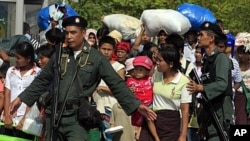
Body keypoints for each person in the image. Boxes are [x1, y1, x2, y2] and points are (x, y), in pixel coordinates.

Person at [9, 16, 156, 141]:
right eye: (66, 33)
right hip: (53, 115)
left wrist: (137, 105)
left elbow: (116, 82)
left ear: (83, 33)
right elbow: (43, 80)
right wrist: (21, 99)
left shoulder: (96, 57)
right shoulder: (59, 54)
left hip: (77, 118)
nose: (69, 36)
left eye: (73, 33)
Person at [187, 21, 233, 141]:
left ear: (211, 38)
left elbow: (222, 84)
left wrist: (200, 87)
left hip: (220, 116)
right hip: (209, 118)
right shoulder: (207, 61)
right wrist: (204, 122)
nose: (199, 37)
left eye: (201, 35)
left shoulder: (221, 58)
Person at [139, 46, 192, 141]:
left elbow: (185, 110)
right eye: (156, 60)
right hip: (152, 120)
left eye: (160, 60)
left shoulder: (184, 82)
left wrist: (183, 135)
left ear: (171, 64)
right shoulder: (156, 74)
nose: (157, 63)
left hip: (170, 124)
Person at [1, 41, 41, 139]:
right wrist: (7, 115)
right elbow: (7, 93)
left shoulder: (38, 73)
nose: (16, 60)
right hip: (10, 118)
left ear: (28, 59)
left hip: (28, 121)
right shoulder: (11, 71)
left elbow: (35, 98)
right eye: (15, 57)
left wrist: (25, 119)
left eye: (19, 58)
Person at [95, 35, 126, 141]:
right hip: (95, 107)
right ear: (99, 48)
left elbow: (120, 90)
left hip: (110, 108)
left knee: (109, 138)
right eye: (104, 49)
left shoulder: (118, 67)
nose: (106, 52)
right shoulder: (93, 65)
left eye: (109, 50)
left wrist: (102, 88)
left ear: (113, 51)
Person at [126, 56, 159, 141]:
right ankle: (138, 134)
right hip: (138, 106)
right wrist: (129, 90)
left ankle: (156, 137)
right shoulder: (130, 81)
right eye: (136, 69)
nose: (137, 72)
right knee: (136, 124)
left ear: (147, 71)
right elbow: (127, 93)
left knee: (149, 118)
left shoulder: (150, 79)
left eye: (141, 70)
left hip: (149, 104)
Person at [234, 45, 250, 125]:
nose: (241, 56)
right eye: (239, 53)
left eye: (244, 53)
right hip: (239, 98)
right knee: (240, 122)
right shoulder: (234, 67)